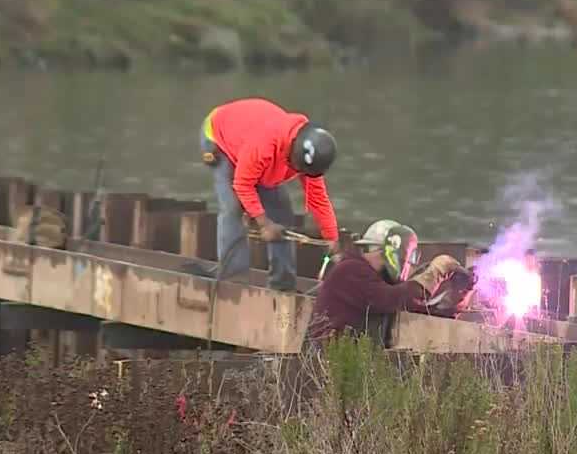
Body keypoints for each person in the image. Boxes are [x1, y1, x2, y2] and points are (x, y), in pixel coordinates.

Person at [199, 97, 340, 292]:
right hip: (219, 138)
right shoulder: (265, 145)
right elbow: (242, 184)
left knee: (281, 212)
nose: (297, 172)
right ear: (291, 152)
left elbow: (318, 199)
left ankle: (282, 285)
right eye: (295, 167)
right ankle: (232, 282)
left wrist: (332, 238)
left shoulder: (307, 156)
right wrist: (264, 223)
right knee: (233, 207)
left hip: (254, 153)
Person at [305, 219, 464, 346]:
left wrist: (461, 293)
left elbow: (423, 308)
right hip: (326, 363)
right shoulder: (350, 270)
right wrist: (436, 271)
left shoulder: (378, 281)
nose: (408, 264)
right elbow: (388, 299)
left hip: (350, 362)